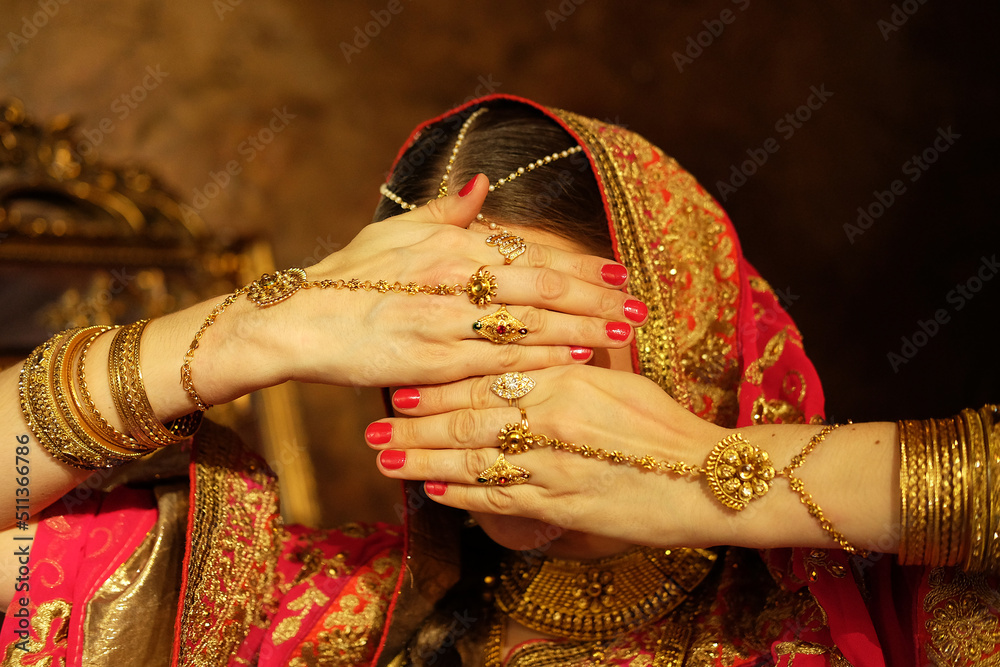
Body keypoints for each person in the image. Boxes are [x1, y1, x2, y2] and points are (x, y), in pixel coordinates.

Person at [0, 95, 995, 666]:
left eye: (520, 326)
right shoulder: (319, 615)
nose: (477, 392)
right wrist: (251, 332)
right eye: (420, 348)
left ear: (679, 329)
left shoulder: (884, 601)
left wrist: (721, 476)